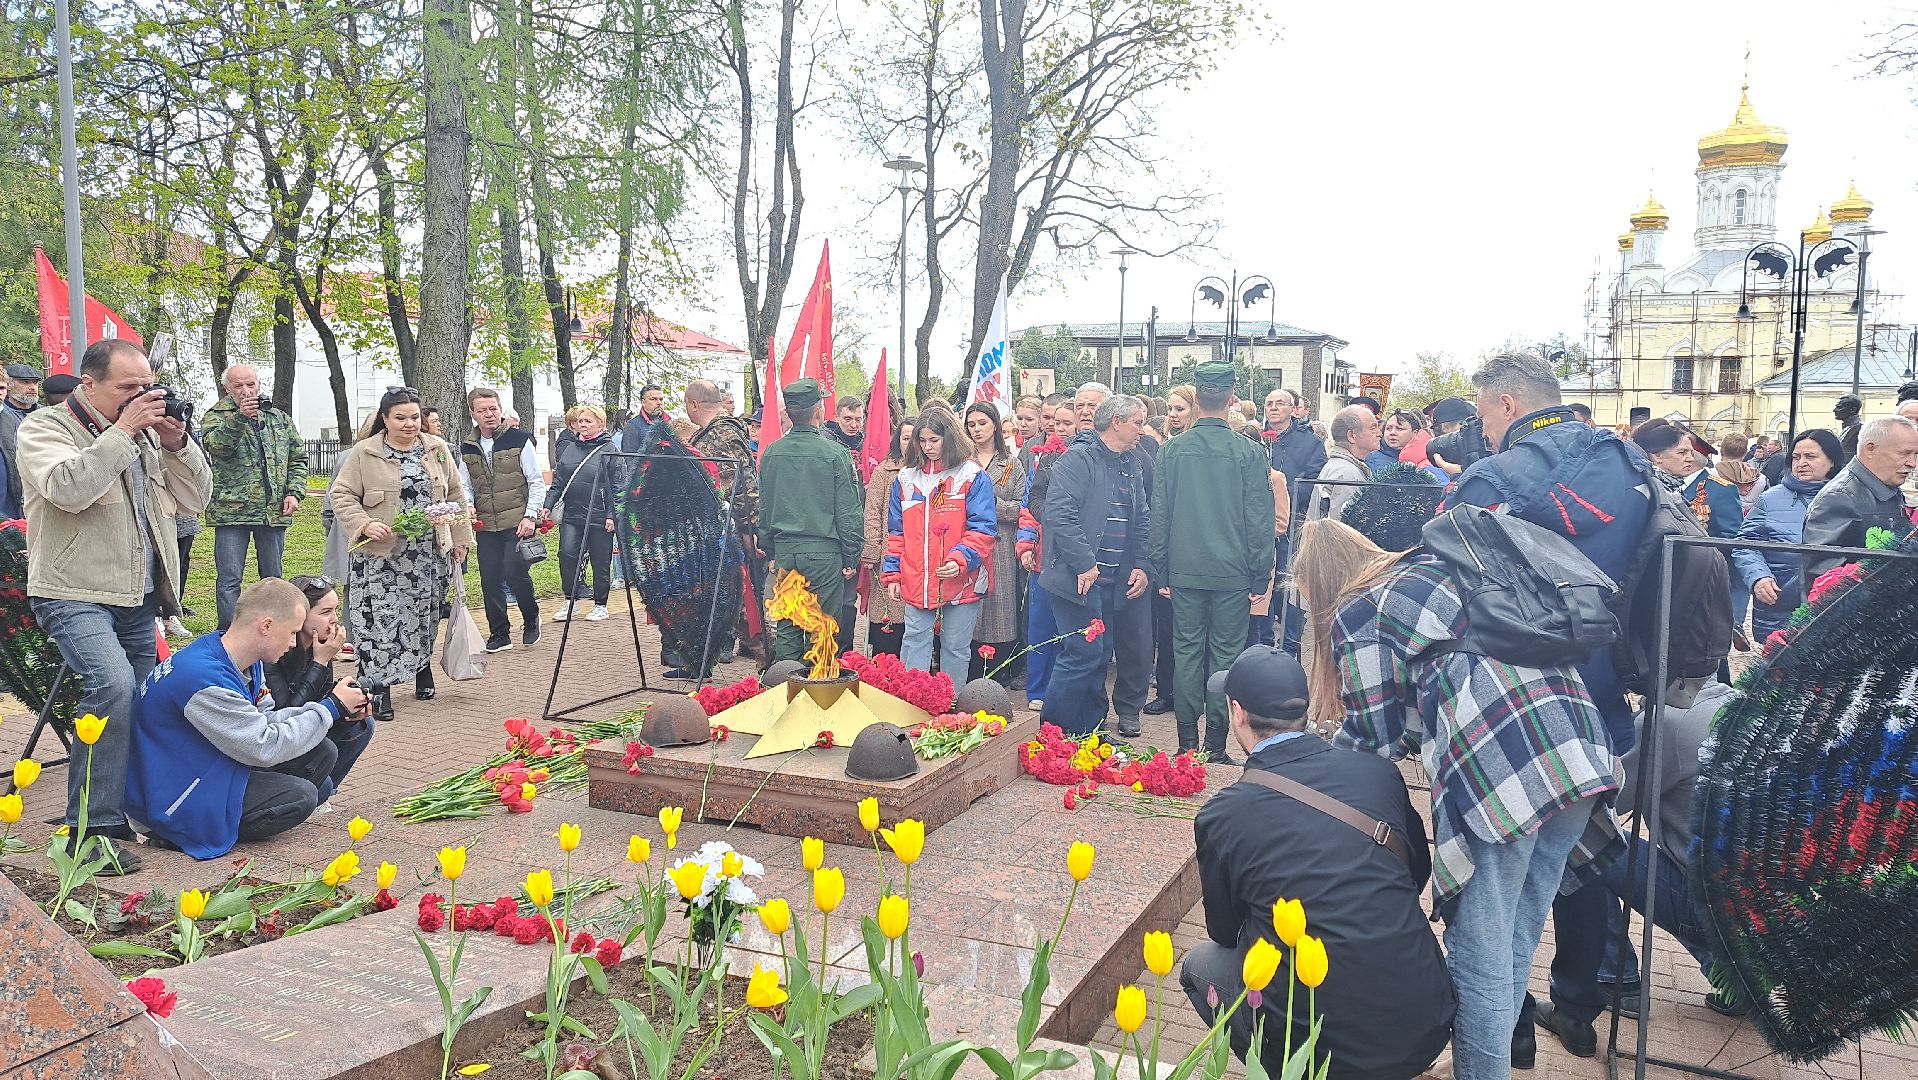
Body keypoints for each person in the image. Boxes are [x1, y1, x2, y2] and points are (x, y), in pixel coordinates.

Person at [1300, 520, 1620, 1080]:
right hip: (1579, 748)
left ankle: (1481, 1070)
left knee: (1478, 949)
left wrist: (1314, 774)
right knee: (1515, 934)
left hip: (1508, 763)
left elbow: (1370, 739)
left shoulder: (1360, 608)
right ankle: (1491, 1055)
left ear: (1321, 582)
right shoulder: (1438, 570)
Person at [1437, 351, 1654, 1061]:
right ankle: (1580, 1002)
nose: (1482, 428)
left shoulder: (1496, 476)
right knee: (1579, 867)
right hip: (1605, 706)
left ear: (1504, 405)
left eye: (1481, 413)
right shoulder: (1636, 467)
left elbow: (1449, 593)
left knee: (1491, 909)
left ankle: (1511, 1040)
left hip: (1515, 713)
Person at [1184, 645, 1453, 1080]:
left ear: (1237, 712)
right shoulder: (1377, 773)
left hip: (1311, 1043)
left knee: (1199, 966)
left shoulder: (1223, 814)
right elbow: (1416, 870)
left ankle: (1280, 1067)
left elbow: (1222, 931)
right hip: (1420, 1024)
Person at [18, 339, 212, 873]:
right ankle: (88, 829)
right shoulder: (45, 428)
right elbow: (67, 489)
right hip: (72, 591)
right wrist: (125, 431)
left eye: (146, 386)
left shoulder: (144, 436)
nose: (143, 397)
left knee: (147, 701)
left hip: (137, 597)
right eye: (129, 389)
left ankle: (145, 814)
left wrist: (177, 444)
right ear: (88, 384)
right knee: (112, 686)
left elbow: (196, 499)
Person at [125, 578, 368, 858]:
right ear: (265, 626)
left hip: (200, 770)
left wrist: (333, 709)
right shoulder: (203, 680)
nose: (292, 643)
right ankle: (174, 836)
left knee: (321, 756)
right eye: (291, 633)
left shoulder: (231, 656)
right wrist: (331, 707)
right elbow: (262, 745)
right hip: (170, 800)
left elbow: (266, 719)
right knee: (301, 797)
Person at [1149, 362, 1276, 759]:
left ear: (1197, 397)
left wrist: (1161, 569)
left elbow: (1160, 515)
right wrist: (1261, 574)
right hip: (1233, 572)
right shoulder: (1251, 452)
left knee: (1185, 651)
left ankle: (1187, 744)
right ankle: (1216, 743)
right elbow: (1259, 519)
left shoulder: (1172, 450)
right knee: (1226, 654)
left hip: (1185, 569)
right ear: (1232, 395)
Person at [330, 386, 472, 721]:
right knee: (381, 621)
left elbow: (455, 494)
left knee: (422, 616)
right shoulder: (365, 452)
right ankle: (378, 687)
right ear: (385, 419)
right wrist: (364, 524)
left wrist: (460, 539)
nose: (409, 424)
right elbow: (342, 494)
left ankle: (422, 669)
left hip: (426, 554)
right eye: (400, 418)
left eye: (414, 417)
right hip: (381, 556)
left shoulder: (437, 449)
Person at [1036, 394, 1152, 740]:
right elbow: (1059, 515)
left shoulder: (1131, 463)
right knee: (1081, 653)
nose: (1141, 430)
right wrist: (1085, 563)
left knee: (1098, 654)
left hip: (1112, 580)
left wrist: (1142, 564)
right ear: (1117, 422)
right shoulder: (1078, 458)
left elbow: (1142, 520)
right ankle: (1053, 733)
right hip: (1076, 578)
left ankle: (1088, 730)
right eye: (1137, 422)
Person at [881, 409, 997, 675]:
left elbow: (984, 529)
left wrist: (960, 560)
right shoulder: (906, 478)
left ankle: (951, 706)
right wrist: (893, 574)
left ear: (949, 438)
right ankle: (913, 702)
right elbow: (896, 533)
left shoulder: (972, 476)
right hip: (917, 577)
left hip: (962, 579)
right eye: (922, 441)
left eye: (934, 440)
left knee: (955, 646)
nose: (928, 447)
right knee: (914, 639)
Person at [759, 378, 864, 663]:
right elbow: (848, 512)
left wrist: (771, 551)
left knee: (789, 626)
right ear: (819, 411)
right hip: (823, 553)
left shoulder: (771, 453)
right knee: (823, 628)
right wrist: (851, 557)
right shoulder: (835, 454)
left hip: (786, 551)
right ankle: (817, 695)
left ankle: (784, 688)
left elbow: (765, 508)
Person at [199, 364, 309, 630]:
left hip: (272, 511)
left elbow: (297, 458)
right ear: (227, 389)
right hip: (231, 511)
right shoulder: (216, 415)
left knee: (273, 577)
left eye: (251, 384)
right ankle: (228, 633)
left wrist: (294, 492)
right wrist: (239, 418)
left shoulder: (277, 418)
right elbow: (217, 447)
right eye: (238, 386)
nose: (246, 391)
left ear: (259, 384)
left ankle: (276, 630)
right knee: (229, 578)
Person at [264, 575, 372, 800]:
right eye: (325, 613)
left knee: (362, 724)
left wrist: (349, 707)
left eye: (335, 611)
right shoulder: (272, 652)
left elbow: (322, 699)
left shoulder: (321, 645)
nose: (334, 620)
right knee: (320, 775)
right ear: (300, 616)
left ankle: (324, 792)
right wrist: (320, 662)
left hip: (306, 726)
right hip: (278, 739)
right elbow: (286, 713)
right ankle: (315, 792)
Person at [1729, 429, 1842, 643]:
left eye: (1811, 456)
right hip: (1779, 604)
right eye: (1796, 457)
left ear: (1832, 461)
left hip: (1834, 606)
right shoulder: (1770, 499)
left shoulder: (1848, 499)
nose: (1801, 463)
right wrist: (1759, 577)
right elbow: (1745, 544)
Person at [459, 387, 544, 652]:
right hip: (485, 523)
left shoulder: (519, 439)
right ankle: (499, 633)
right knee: (490, 578)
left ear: (500, 409)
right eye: (482, 410)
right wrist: (468, 506)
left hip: (517, 520)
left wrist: (530, 516)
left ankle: (531, 618)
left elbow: (536, 481)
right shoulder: (468, 446)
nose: (489, 415)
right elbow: (465, 484)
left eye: (493, 408)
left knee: (514, 570)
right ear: (473, 414)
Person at [1802, 415, 1918, 580]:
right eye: (1904, 453)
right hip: (1869, 604)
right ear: (1870, 449)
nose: (1912, 463)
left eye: (1915, 454)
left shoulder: (1886, 487)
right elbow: (1824, 579)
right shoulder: (1840, 497)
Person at [1016, 403, 1077, 711]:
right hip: (1043, 560)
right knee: (1041, 628)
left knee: (1068, 630)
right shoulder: (1044, 461)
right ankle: (1037, 689)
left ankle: (1062, 689)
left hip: (1074, 561)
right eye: (1055, 422)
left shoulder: (1084, 460)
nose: (1060, 427)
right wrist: (1025, 544)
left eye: (1067, 422)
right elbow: (1029, 507)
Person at [961, 403, 1026, 680]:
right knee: (969, 607)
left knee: (1000, 608)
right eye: (972, 424)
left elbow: (1023, 507)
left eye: (982, 423)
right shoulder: (962, 462)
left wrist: (991, 505)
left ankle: (1001, 671)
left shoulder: (1011, 463)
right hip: (968, 544)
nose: (977, 429)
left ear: (996, 426)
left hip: (1001, 544)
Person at [542, 405, 618, 623]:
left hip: (600, 514)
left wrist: (612, 515)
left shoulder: (610, 449)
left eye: (588, 421)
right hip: (573, 513)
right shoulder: (570, 449)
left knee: (600, 560)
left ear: (600, 424)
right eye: (580, 421)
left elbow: (619, 485)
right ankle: (571, 599)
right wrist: (548, 504)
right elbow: (559, 482)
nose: (583, 425)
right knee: (567, 554)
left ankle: (601, 604)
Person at [863, 416, 916, 657]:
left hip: (919, 556)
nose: (911, 443)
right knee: (888, 614)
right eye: (906, 438)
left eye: (916, 438)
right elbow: (872, 512)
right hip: (889, 553)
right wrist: (873, 550)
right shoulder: (884, 472)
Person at [1306, 405, 1377, 522]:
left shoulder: (1342, 466)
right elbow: (1343, 530)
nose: (1379, 433)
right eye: (1372, 428)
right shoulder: (1347, 473)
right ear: (1352, 435)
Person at [0, 361, 42, 518]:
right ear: (10, 385)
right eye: (24, 382)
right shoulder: (5, 417)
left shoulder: (46, 415)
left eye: (35, 382)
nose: (32, 387)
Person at [618, 384, 669, 451]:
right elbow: (629, 458)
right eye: (654, 399)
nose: (659, 402)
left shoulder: (670, 424)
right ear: (643, 402)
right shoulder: (632, 426)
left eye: (661, 399)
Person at [1369, 408, 1420, 473]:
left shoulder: (1426, 457)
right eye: (1388, 428)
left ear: (1415, 433)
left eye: (1399, 428)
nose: (1392, 432)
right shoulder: (1370, 458)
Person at [1835, 393, 1863, 460]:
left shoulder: (1858, 429)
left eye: (1839, 407)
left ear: (1852, 410)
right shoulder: (1847, 428)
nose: (1835, 410)